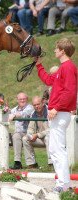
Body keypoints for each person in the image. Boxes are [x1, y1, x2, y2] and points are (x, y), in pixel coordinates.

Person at [35, 38, 77, 193]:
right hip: (58, 113)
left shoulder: (68, 67)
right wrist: (39, 64)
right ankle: (62, 181)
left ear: (62, 51)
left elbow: (70, 92)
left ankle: (64, 184)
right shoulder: (63, 68)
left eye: (56, 48)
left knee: (58, 149)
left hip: (60, 113)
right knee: (54, 149)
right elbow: (48, 79)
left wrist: (57, 108)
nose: (54, 50)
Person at [22, 96, 52, 168]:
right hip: (40, 138)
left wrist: (37, 135)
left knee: (49, 137)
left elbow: (51, 130)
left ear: (43, 103)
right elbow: (30, 128)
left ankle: (51, 163)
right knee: (25, 139)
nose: (36, 106)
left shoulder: (50, 112)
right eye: (34, 105)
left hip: (50, 137)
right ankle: (31, 164)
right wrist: (30, 135)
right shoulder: (33, 113)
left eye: (38, 104)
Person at [9, 92, 34, 169]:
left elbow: (25, 114)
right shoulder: (13, 109)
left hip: (29, 132)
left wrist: (14, 115)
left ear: (27, 99)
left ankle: (31, 163)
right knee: (16, 136)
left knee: (19, 136)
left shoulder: (30, 108)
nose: (22, 100)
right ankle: (17, 162)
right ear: (17, 100)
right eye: (20, 99)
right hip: (17, 133)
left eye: (24, 99)